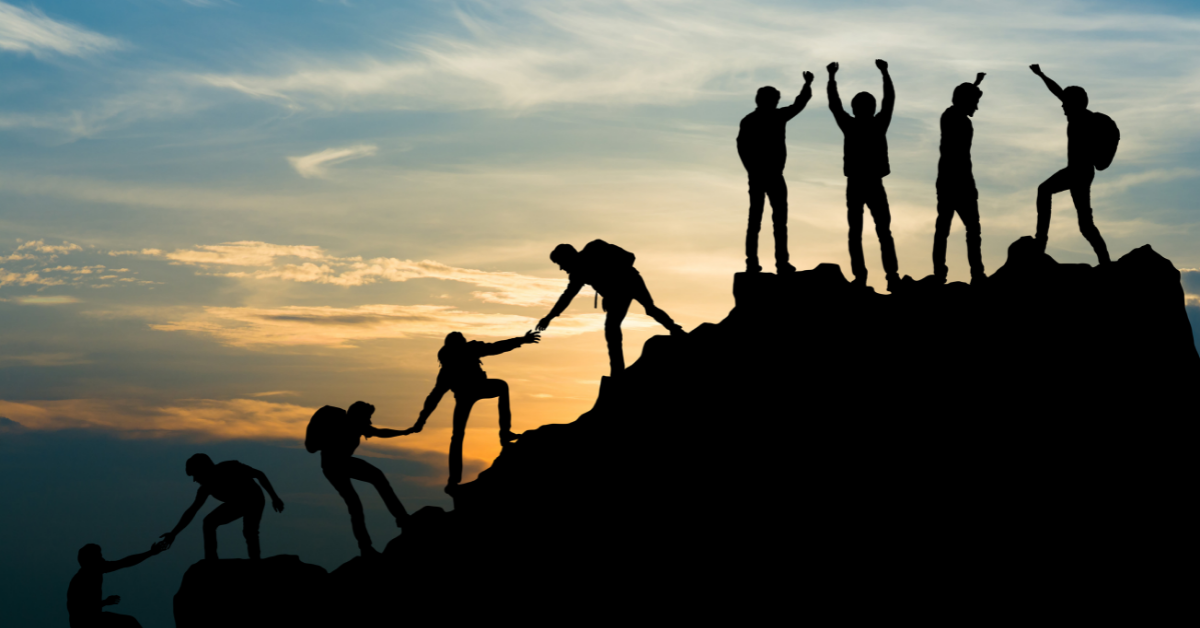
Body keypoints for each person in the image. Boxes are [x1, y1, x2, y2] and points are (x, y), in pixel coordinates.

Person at [411, 331, 540, 492]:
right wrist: (420, 421)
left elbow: (434, 397)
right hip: (472, 391)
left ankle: (454, 479)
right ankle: (504, 434)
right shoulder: (459, 357)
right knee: (500, 388)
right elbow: (434, 397)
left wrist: (420, 422)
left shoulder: (451, 363)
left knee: (457, 436)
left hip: (468, 393)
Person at [536, 240, 685, 375]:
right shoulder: (577, 274)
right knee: (612, 328)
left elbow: (630, 257)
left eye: (561, 263)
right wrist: (549, 317)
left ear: (568, 257)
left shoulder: (594, 248)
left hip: (630, 282)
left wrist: (613, 287)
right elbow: (566, 297)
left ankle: (675, 330)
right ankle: (617, 370)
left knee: (649, 309)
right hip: (616, 295)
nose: (562, 268)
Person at [827, 59, 903, 292]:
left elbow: (835, 105)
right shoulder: (877, 124)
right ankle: (888, 277)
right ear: (869, 108)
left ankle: (868, 277)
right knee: (881, 232)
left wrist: (831, 78)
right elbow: (889, 100)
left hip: (860, 183)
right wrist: (885, 73)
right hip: (869, 183)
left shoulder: (852, 125)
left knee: (860, 233)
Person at [1029, 64, 1111, 264]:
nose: (1062, 106)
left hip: (1079, 172)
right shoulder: (1080, 116)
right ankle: (1105, 260)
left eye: (1066, 103)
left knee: (1044, 190)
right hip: (1079, 171)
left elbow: (1058, 93)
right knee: (1085, 224)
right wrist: (1041, 75)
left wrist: (1041, 74)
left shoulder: (1082, 118)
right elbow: (1057, 91)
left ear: (1074, 103)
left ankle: (1041, 243)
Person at [308, 402, 414, 555]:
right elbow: (379, 432)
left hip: (340, 463)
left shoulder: (356, 424)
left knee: (368, 488)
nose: (370, 421)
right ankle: (369, 544)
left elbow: (379, 432)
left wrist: (405, 432)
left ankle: (399, 520)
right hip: (335, 466)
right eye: (368, 417)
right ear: (359, 415)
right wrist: (405, 432)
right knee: (356, 503)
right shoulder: (346, 424)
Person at [736, 72, 815, 274]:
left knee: (772, 221)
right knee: (763, 221)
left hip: (770, 176)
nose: (776, 102)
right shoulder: (762, 119)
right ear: (765, 100)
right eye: (774, 100)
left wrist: (807, 85)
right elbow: (742, 147)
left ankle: (775, 262)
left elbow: (799, 104)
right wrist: (752, 169)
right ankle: (757, 263)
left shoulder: (761, 118)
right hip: (764, 176)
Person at [158, 454, 284, 560]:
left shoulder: (230, 467)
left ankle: (255, 563)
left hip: (254, 499)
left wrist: (275, 497)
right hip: (236, 503)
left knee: (250, 532)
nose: (195, 480)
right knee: (209, 522)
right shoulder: (205, 488)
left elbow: (259, 474)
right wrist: (173, 533)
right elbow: (192, 511)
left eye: (195, 475)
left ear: (203, 469)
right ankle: (211, 560)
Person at [933, 73, 987, 283]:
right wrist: (975, 85)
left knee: (956, 229)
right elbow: (961, 158)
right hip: (956, 182)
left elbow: (962, 98)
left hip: (955, 181)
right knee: (960, 229)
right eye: (975, 102)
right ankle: (973, 273)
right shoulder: (954, 118)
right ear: (966, 101)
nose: (976, 107)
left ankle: (967, 273)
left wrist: (976, 84)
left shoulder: (952, 116)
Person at [67, 541, 165, 628]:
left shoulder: (94, 572)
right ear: (91, 560)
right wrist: (104, 602)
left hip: (91, 620)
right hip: (84, 622)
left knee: (128, 622)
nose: (103, 559)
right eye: (99, 556)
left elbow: (124, 562)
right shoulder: (80, 580)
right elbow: (79, 608)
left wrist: (150, 553)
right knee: (129, 622)